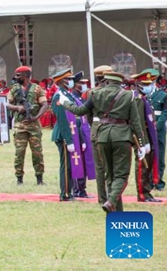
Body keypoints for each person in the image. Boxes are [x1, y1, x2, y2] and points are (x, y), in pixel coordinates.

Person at [59, 71, 147, 213]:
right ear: (120, 83)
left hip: (102, 137)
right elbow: (136, 122)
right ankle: (111, 201)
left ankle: (116, 212)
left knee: (110, 176)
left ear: (106, 81)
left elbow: (80, 110)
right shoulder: (128, 95)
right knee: (122, 175)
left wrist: (65, 103)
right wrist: (141, 143)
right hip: (122, 136)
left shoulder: (95, 94)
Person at [7, 66, 48, 185]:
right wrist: (18, 108)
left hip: (34, 126)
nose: (16, 77)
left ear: (25, 76)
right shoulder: (14, 89)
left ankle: (39, 178)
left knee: (37, 153)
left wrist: (35, 117)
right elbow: (7, 104)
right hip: (19, 126)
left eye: (18, 75)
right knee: (19, 153)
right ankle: (19, 178)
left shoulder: (37, 89)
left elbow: (44, 105)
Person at [130, 70, 161, 202]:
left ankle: (147, 192)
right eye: (145, 83)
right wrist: (144, 141)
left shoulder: (143, 98)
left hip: (148, 134)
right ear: (138, 84)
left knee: (148, 165)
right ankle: (142, 193)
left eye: (149, 83)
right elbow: (138, 122)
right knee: (142, 165)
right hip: (142, 135)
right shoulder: (137, 99)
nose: (148, 86)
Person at [49, 69, 76, 201]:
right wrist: (68, 139)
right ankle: (65, 194)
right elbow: (62, 119)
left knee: (69, 165)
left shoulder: (66, 94)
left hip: (68, 133)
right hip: (63, 134)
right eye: (68, 79)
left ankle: (69, 191)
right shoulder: (59, 96)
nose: (71, 81)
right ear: (61, 81)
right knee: (66, 166)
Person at [151, 74, 167, 191]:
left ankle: (158, 181)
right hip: (147, 128)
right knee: (149, 155)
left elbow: (165, 112)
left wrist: (158, 125)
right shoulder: (145, 95)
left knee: (160, 155)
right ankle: (149, 181)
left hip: (159, 129)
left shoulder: (163, 95)